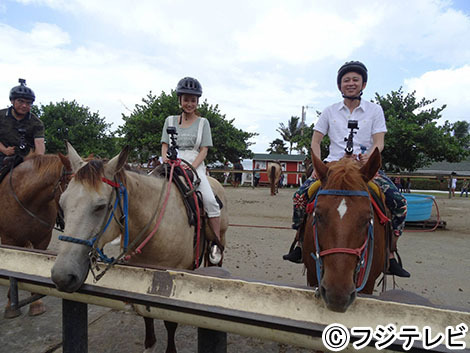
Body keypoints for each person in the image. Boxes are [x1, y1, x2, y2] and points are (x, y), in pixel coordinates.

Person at [283, 61, 410, 277]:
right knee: (300, 197)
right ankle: (300, 244)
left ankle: (390, 251)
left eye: (355, 80)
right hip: (333, 167)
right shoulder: (329, 111)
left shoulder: (374, 110)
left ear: (363, 84)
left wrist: (369, 157)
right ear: (340, 85)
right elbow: (316, 141)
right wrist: (318, 164)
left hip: (362, 169)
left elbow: (379, 141)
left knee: (398, 202)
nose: (350, 83)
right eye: (346, 80)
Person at [161, 77, 223, 265]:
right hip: (170, 162)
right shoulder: (170, 120)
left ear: (197, 102)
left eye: (193, 100)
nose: (190, 103)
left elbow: (204, 150)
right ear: (180, 100)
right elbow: (164, 145)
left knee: (211, 201)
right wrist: (165, 159)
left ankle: (216, 243)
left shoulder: (203, 123)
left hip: (194, 164)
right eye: (186, 99)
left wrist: (192, 168)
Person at [0, 79, 45, 168]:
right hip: (2, 155)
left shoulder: (36, 123)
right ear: (12, 101)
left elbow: (40, 144)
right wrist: (4, 150)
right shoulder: (1, 116)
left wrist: (38, 159)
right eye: (20, 101)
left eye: (28, 103)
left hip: (26, 159)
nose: (24, 105)